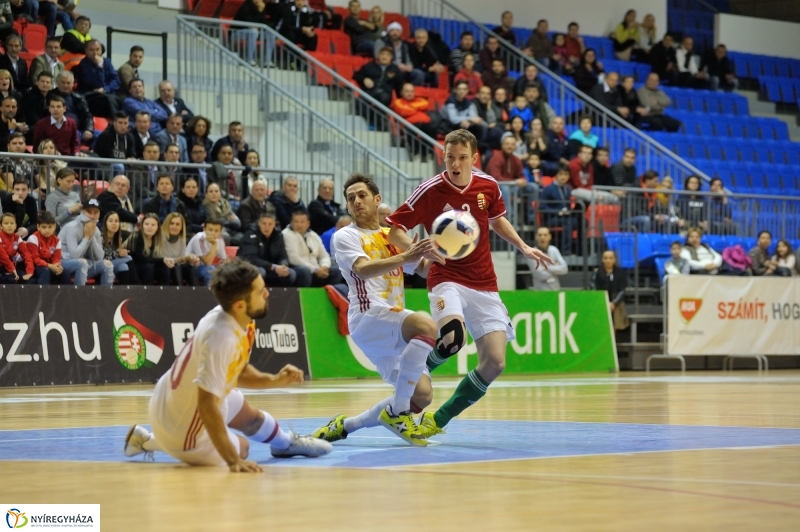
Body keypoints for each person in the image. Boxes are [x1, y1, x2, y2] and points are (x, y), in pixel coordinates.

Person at [385, 129, 553, 438]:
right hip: (446, 277)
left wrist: (524, 246)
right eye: (450, 157)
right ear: (444, 156)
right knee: (452, 338)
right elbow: (394, 228)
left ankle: (439, 419)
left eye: (462, 158)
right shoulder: (429, 190)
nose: (456, 164)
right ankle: (419, 370)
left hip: (484, 282)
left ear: (474, 158)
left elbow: (496, 218)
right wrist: (416, 249)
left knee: (495, 363)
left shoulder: (488, 185)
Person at [123, 258, 332, 469]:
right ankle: (154, 442)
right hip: (183, 429)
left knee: (250, 417)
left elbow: (236, 370)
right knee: (242, 449)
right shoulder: (222, 337)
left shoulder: (237, 316)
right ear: (240, 304)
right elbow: (206, 404)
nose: (267, 293)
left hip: (168, 399)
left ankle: (285, 445)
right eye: (260, 291)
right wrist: (234, 460)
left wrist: (275, 380)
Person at [312, 173, 439, 445]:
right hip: (368, 316)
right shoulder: (345, 235)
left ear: (377, 200)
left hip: (391, 323)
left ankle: (346, 425)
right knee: (427, 326)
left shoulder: (390, 235)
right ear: (346, 206)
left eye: (362, 195)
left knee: (423, 395)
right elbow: (362, 269)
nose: (356, 201)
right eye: (351, 198)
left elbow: (424, 269)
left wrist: (443, 250)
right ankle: (399, 413)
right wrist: (406, 255)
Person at [238, 212, 311, 287]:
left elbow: (283, 256)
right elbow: (251, 258)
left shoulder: (278, 235)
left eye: (270, 224)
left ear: (274, 224)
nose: (267, 227)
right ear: (259, 223)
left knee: (293, 273)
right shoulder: (250, 235)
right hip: (251, 268)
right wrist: (273, 267)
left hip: (272, 269)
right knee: (259, 272)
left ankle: (285, 297)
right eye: (264, 223)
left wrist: (283, 265)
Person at [58, 198, 115, 286]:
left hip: (84, 263)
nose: (92, 216)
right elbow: (74, 256)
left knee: (107, 264)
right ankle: (80, 297)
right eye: (89, 212)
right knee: (82, 263)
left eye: (95, 212)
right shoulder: (72, 227)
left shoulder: (95, 230)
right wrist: (86, 237)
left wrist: (91, 235)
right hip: (64, 263)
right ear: (82, 212)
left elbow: (100, 257)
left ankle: (105, 298)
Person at [282, 208, 343, 287]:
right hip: (299, 268)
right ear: (291, 222)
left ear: (308, 223)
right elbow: (293, 258)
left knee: (336, 271)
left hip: (317, 268)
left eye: (302, 222)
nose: (299, 225)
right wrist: (315, 269)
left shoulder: (313, 235)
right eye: (296, 222)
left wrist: (324, 266)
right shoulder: (286, 234)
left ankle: (333, 296)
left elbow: (324, 255)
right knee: (305, 271)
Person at [486, 136, 538, 226]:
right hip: (496, 188)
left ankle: (531, 218)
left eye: (512, 144)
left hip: (513, 186)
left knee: (533, 187)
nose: (510, 146)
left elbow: (521, 175)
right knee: (506, 188)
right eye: (507, 144)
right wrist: (514, 182)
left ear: (515, 147)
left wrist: (522, 180)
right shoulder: (496, 158)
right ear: (502, 145)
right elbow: (496, 177)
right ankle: (509, 217)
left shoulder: (516, 159)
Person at [73, 39, 120, 118]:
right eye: (92, 50)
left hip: (105, 93)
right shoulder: (84, 64)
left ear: (101, 50)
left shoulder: (107, 62)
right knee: (109, 99)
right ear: (86, 51)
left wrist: (106, 89)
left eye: (97, 49)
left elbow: (116, 80)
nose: (95, 53)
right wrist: (99, 66)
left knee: (120, 101)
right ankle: (115, 122)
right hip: (89, 94)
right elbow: (97, 83)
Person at [21, 211, 68, 285]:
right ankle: (43, 296)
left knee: (64, 272)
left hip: (49, 266)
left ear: (54, 227)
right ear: (38, 227)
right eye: (44, 227)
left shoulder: (57, 240)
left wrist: (57, 266)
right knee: (44, 271)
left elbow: (56, 258)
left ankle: (66, 296)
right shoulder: (33, 238)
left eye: (50, 227)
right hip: (35, 266)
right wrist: (50, 266)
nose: (47, 230)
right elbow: (35, 259)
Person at [124, 213, 171, 285]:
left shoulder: (157, 239)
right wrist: (162, 260)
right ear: (142, 226)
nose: (150, 227)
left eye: (153, 225)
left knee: (164, 267)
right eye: (146, 224)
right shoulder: (137, 236)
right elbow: (140, 258)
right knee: (148, 267)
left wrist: (165, 261)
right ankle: (147, 293)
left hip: (145, 266)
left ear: (157, 227)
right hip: (132, 266)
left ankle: (164, 294)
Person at [540, 165, 576, 254]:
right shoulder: (548, 189)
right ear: (556, 176)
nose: (563, 177)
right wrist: (557, 212)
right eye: (561, 174)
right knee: (568, 223)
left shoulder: (568, 189)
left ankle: (580, 250)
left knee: (582, 221)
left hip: (566, 217)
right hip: (551, 218)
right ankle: (566, 251)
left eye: (566, 174)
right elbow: (542, 206)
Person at [443, 81, 487, 153]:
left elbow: (474, 116)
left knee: (483, 125)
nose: (461, 91)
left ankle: (480, 149)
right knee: (463, 125)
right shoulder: (450, 101)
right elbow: (453, 119)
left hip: (465, 124)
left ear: (467, 91)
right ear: (455, 90)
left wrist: (469, 121)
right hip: (448, 125)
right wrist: (469, 119)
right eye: (459, 89)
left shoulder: (468, 103)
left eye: (464, 89)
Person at [160, 211, 200, 286]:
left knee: (190, 268)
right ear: (167, 224)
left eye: (177, 224)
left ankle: (197, 293)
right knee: (177, 267)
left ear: (182, 227)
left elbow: (182, 257)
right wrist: (181, 259)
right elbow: (162, 257)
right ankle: (179, 292)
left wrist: (191, 259)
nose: (174, 227)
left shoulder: (181, 238)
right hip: (163, 266)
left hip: (177, 266)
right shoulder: (160, 237)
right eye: (172, 223)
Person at [592, 250, 629, 330]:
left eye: (610, 258)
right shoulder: (597, 273)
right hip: (600, 300)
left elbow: (622, 290)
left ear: (614, 259)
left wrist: (614, 303)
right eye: (605, 258)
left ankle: (613, 340)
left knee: (616, 317)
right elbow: (593, 288)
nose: (608, 260)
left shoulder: (620, 273)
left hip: (616, 302)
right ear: (602, 259)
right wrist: (603, 301)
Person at [186, 219, 228, 286]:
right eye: (210, 230)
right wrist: (214, 245)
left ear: (220, 231)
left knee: (228, 270)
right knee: (210, 271)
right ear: (204, 229)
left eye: (216, 231)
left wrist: (223, 263)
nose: (213, 233)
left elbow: (224, 259)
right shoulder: (199, 239)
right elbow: (207, 262)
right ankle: (208, 295)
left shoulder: (220, 239)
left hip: (208, 267)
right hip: (192, 268)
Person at [100, 210, 136, 285]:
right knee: (128, 258)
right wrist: (117, 253)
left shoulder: (118, 238)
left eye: (116, 221)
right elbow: (101, 255)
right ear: (105, 223)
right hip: (101, 264)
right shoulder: (100, 236)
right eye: (111, 221)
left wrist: (122, 253)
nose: (114, 223)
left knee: (124, 266)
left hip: (113, 264)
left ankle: (125, 293)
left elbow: (116, 254)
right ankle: (137, 285)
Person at [0, 212, 30, 283]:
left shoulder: (17, 238)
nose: (9, 226)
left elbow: (26, 254)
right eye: (6, 223)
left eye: (12, 223)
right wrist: (12, 269)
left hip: (11, 267)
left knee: (28, 280)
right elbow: (3, 256)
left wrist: (30, 271)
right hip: (4, 266)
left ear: (16, 226)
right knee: (11, 280)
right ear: (1, 226)